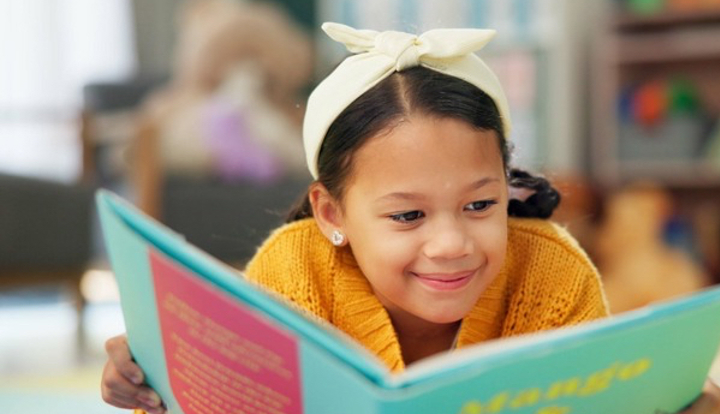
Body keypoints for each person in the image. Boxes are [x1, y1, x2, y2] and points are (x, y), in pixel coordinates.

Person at [100, 22, 720, 414]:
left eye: (481, 205)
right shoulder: (292, 274)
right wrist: (158, 378)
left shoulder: (552, 275)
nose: (451, 244)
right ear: (332, 212)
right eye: (407, 216)